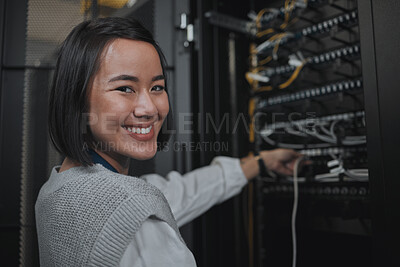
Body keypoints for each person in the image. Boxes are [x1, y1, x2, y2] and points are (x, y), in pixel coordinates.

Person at [35, 17, 303, 266]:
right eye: (125, 88)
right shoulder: (126, 208)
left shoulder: (58, 188)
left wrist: (261, 161)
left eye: (157, 87)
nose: (149, 108)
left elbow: (178, 194)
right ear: (76, 98)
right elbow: (136, 206)